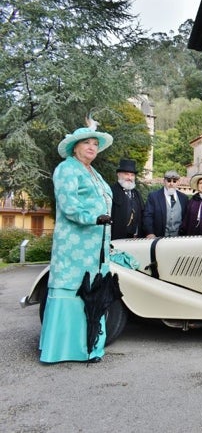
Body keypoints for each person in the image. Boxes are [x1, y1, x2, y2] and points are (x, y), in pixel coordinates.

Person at [40, 124, 114, 363]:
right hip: (74, 245)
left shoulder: (94, 172)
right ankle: (62, 350)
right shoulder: (66, 169)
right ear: (75, 147)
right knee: (72, 291)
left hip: (96, 246)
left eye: (95, 144)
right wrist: (93, 218)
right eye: (86, 143)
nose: (92, 147)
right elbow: (69, 205)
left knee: (93, 293)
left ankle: (89, 348)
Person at [143, 170, 188, 238]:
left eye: (174, 181)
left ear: (178, 182)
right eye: (169, 181)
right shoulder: (154, 197)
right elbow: (148, 216)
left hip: (178, 238)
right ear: (164, 181)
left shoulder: (184, 198)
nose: (171, 184)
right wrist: (150, 232)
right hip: (158, 237)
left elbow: (186, 218)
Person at [110, 159, 144, 239]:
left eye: (132, 175)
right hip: (116, 237)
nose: (130, 178)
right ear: (118, 175)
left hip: (133, 239)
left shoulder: (136, 194)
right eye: (126, 174)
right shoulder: (111, 191)